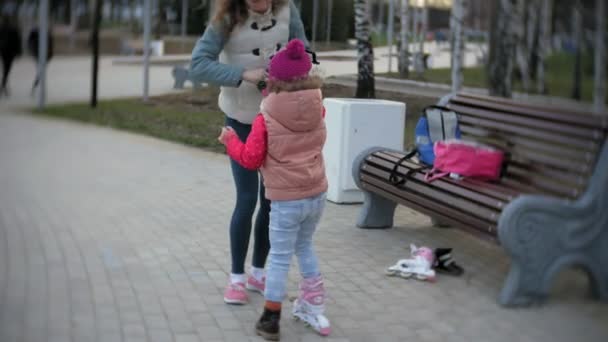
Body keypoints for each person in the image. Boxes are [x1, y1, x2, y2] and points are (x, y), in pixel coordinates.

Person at [189, 0, 308, 305]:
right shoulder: (226, 18)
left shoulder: (287, 10)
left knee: (272, 201)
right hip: (241, 120)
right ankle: (236, 278)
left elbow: (304, 51)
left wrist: (296, 73)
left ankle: (258, 272)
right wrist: (243, 73)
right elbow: (198, 63)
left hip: (276, 120)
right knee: (246, 200)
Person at [218, 38, 330, 340]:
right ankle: (314, 303)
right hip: (317, 194)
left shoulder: (265, 117)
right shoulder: (318, 107)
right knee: (305, 247)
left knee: (279, 258)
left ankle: (270, 317)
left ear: (274, 79)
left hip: (286, 200)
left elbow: (251, 159)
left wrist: (230, 141)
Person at [27, 27, 54, 95]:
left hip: (44, 56)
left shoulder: (47, 33)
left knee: (41, 72)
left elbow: (50, 46)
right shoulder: (37, 34)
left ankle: (36, 87)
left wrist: (50, 55)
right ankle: (36, 87)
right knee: (41, 72)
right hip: (39, 56)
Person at [0, 15, 22, 97]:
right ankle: (3, 84)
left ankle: (4, 84)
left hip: (4, 51)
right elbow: (18, 41)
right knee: (7, 69)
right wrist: (19, 52)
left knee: (5, 68)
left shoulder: (2, 29)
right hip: (10, 52)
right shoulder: (13, 29)